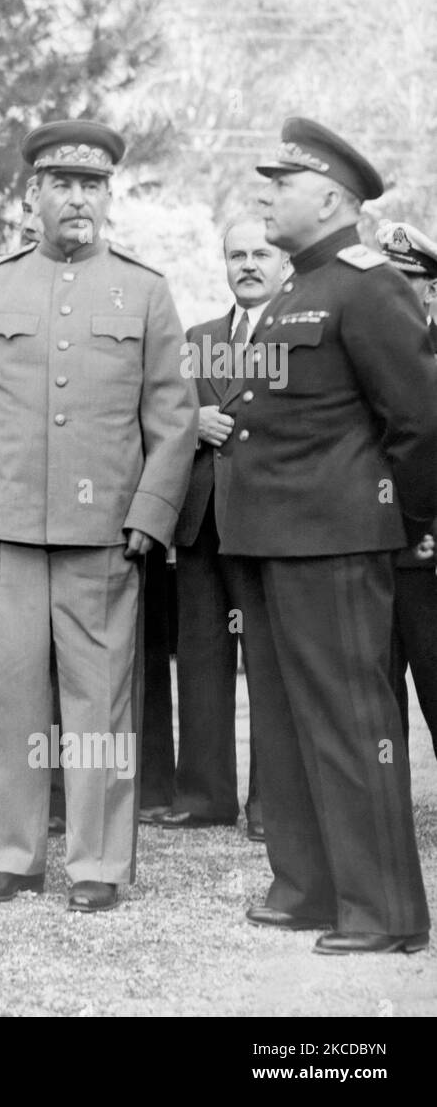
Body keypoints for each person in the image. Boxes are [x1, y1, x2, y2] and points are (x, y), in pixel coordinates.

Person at [0, 119, 196, 911]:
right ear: (34, 195)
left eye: (92, 185)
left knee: (100, 705)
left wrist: (150, 516)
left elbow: (173, 419)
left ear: (108, 196)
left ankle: (96, 865)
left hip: (104, 539)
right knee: (10, 699)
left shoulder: (146, 290)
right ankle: (10, 854)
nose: (78, 199)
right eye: (62, 184)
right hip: (12, 534)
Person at [229, 118, 437, 954]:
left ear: (330, 199)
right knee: (282, 723)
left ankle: (384, 910)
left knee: (354, 725)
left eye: (281, 185)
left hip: (336, 543)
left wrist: (405, 522)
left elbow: (421, 420)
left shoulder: (366, 283)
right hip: (271, 540)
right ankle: (309, 886)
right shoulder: (294, 285)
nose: (266, 197)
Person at [157, 216, 282, 840]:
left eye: (262, 252)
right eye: (238, 255)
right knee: (201, 661)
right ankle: (204, 795)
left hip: (269, 525)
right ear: (224, 263)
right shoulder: (198, 337)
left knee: (270, 665)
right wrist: (193, 421)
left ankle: (271, 803)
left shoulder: (300, 336)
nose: (249, 264)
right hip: (202, 523)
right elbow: (162, 417)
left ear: (283, 261)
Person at [377, 221, 437, 762]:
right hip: (371, 547)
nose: (394, 288)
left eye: (407, 277)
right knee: (375, 696)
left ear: (431, 288)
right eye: (385, 276)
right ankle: (383, 808)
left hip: (430, 549)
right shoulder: (357, 351)